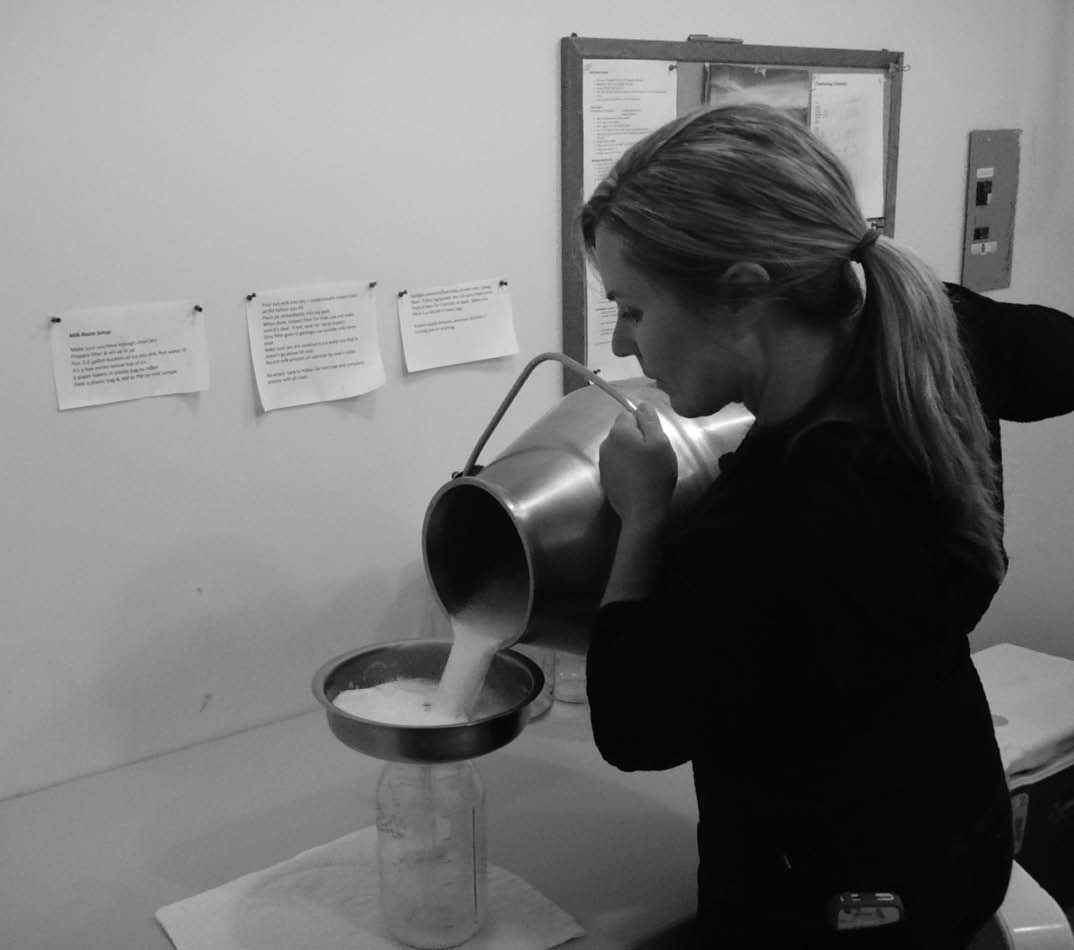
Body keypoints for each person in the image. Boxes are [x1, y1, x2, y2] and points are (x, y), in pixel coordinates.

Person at [578, 103, 1059, 949]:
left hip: (825, 903)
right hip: (958, 828)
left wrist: (642, 517)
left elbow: (633, 728)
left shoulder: (770, 519)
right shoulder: (932, 328)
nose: (621, 346)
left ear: (743, 294)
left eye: (633, 309)